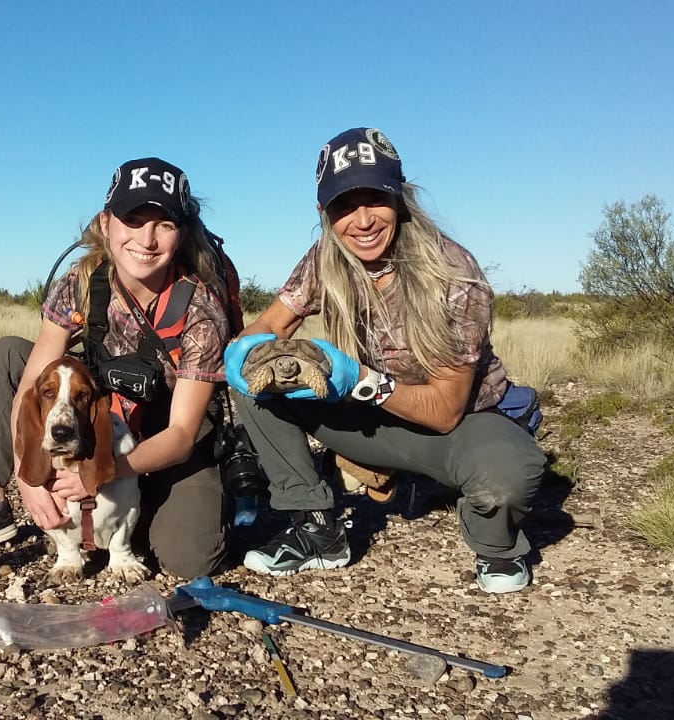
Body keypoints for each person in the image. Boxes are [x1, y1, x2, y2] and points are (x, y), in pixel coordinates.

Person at [224, 127, 547, 593]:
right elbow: (269, 327)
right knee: (256, 384)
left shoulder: (452, 272)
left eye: (374, 199)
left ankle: (495, 546)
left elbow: (445, 411)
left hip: (459, 424)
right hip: (370, 417)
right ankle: (317, 527)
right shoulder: (325, 258)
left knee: (507, 478)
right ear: (324, 213)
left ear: (400, 197)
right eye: (343, 206)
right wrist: (244, 352)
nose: (362, 221)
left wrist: (358, 380)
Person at [0, 157, 232, 579]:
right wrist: (28, 479)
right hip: (95, 418)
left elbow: (181, 436)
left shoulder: (201, 310)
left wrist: (100, 474)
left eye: (165, 224)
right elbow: (31, 380)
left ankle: (136, 513)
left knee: (190, 558)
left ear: (182, 234)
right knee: (7, 356)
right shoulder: (81, 281)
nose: (147, 239)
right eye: (133, 220)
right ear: (106, 224)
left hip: (161, 441)